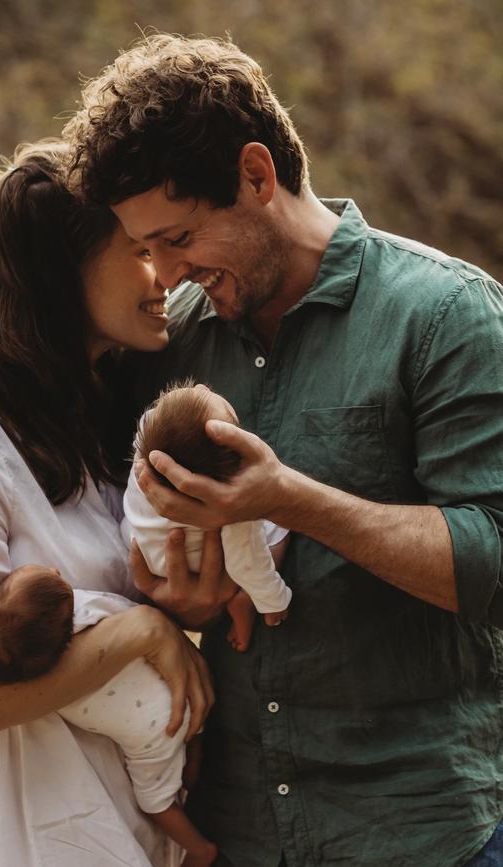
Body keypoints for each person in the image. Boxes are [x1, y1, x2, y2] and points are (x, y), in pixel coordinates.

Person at [65, 34, 503, 867]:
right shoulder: (172, 346)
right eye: (145, 249)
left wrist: (289, 499)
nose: (165, 273)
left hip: (422, 831)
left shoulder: (445, 317)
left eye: (179, 236)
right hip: (242, 834)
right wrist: (175, 603)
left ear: (257, 176)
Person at [0, 139, 214, 867]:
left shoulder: (103, 429)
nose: (164, 274)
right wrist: (140, 634)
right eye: (137, 251)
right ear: (58, 276)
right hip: (14, 840)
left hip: (118, 831)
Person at [0, 562, 218, 866]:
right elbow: (129, 613)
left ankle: (197, 848)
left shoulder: (41, 681)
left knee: (156, 802)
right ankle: (199, 811)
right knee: (192, 738)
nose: (54, 568)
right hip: (176, 690)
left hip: (155, 731)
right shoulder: (94, 610)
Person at [121, 381, 291, 651]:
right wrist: (272, 599)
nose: (203, 387)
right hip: (195, 565)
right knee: (275, 524)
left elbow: (176, 422)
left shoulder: (147, 439)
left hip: (145, 549)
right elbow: (243, 561)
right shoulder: (229, 501)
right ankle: (245, 599)